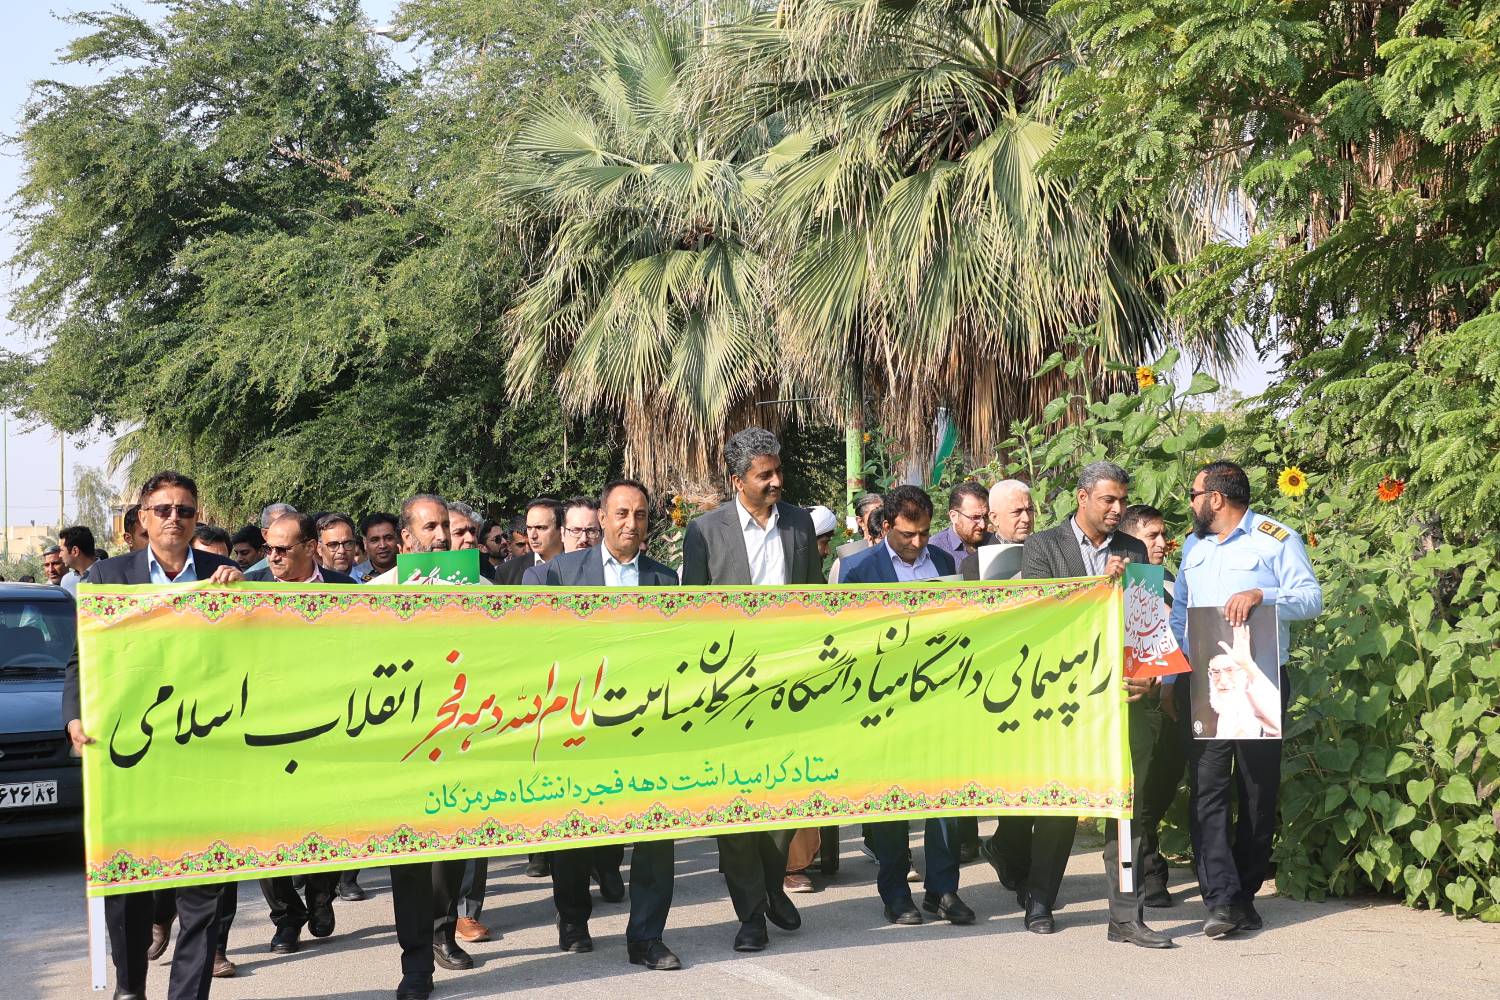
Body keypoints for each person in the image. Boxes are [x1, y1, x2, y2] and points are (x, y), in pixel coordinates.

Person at [62, 470, 245, 1000]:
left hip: (205, 752)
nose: (173, 519)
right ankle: (130, 988)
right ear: (143, 518)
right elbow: (80, 661)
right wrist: (74, 717)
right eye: (162, 509)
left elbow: (256, 653)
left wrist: (243, 600)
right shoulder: (107, 578)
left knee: (203, 890)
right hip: (131, 755)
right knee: (130, 886)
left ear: (196, 518)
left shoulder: (222, 577)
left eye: (184, 510)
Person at [988, 461, 1168, 949]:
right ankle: (1040, 900)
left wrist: (1150, 676)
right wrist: (1098, 589)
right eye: (1109, 499)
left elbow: (1146, 623)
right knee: (1061, 804)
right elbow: (1039, 617)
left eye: (1123, 500)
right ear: (1082, 497)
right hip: (1063, 701)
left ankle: (1126, 917)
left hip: (1122, 701)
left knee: (1126, 809)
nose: (1117, 509)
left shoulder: (1133, 549)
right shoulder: (1044, 546)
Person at [680, 427, 822, 953]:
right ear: (737, 480)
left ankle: (770, 885)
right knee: (735, 804)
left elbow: (814, 600)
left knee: (782, 798)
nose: (776, 481)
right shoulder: (704, 531)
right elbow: (693, 613)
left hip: (788, 687)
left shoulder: (800, 523)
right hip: (728, 690)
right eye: (765, 475)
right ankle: (751, 914)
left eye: (779, 471)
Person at [1171, 461, 1321, 938]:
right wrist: (1175, 675)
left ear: (1215, 498)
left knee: (1258, 790)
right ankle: (1219, 899)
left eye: (1194, 495)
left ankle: (1245, 894)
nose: (1191, 503)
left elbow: (1311, 598)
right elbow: (1180, 614)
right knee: (1207, 788)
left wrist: (1263, 594)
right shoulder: (1193, 546)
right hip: (1206, 684)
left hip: (1261, 682)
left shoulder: (1275, 539)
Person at [543, 479, 683, 971]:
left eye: (640, 515)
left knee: (656, 830)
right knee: (576, 829)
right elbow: (542, 646)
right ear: (601, 518)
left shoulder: (664, 580)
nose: (631, 523)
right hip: (579, 725)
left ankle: (647, 937)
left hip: (645, 725)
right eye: (622, 513)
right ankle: (573, 918)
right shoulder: (563, 573)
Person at [837, 485, 972, 925]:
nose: (917, 543)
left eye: (924, 533)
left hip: (939, 696)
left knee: (945, 796)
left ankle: (943, 890)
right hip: (886, 702)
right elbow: (849, 640)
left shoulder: (946, 563)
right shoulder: (859, 571)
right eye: (907, 534)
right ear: (885, 526)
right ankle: (896, 892)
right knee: (892, 799)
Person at [363, 495, 469, 999]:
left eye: (445, 525)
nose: (441, 536)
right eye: (430, 527)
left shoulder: (479, 589)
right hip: (402, 746)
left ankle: (444, 929)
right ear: (406, 538)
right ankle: (416, 965)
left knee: (450, 851)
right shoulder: (374, 596)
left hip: (460, 741)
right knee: (408, 859)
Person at [243, 512, 355, 954]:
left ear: (311, 547)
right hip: (266, 729)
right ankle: (286, 916)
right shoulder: (249, 591)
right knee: (266, 826)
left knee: (328, 818)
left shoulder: (346, 591)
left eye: (282, 549)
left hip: (330, 727)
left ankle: (322, 895)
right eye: (268, 548)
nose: (272, 557)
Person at [1120, 503, 1184, 909]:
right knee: (1140, 794)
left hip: (1173, 705)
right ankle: (1148, 871)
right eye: (1151, 536)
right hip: (1138, 706)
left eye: (1163, 535)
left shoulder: (1172, 583)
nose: (1162, 543)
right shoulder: (1122, 585)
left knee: (1162, 787)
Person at [522, 497, 600, 584]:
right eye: (576, 530)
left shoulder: (611, 572)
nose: (584, 539)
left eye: (591, 531)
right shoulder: (540, 577)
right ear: (562, 533)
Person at [495, 498, 564, 585]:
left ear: (561, 529)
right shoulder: (507, 572)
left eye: (540, 528)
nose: (533, 536)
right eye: (529, 528)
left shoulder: (579, 565)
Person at [929, 481, 992, 569]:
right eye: (975, 517)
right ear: (954, 516)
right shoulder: (935, 549)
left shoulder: (993, 542)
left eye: (985, 516)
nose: (983, 525)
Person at [445, 501, 496, 581]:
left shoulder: (489, 585)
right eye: (459, 533)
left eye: (473, 532)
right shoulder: (426, 582)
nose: (471, 539)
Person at [352, 512, 401, 583]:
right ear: (365, 543)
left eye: (389, 538)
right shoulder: (354, 576)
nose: (382, 545)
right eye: (375, 540)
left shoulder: (411, 573)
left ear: (399, 539)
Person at [58, 526, 100, 596]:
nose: (60, 555)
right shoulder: (66, 580)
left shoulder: (109, 575)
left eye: (62, 550)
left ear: (75, 551)